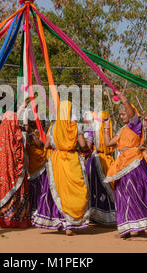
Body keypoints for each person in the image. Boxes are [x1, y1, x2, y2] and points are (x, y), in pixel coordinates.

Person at [103, 91, 147, 240]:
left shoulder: (135, 125)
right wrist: (107, 126)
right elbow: (108, 143)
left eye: (124, 113)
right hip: (122, 166)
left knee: (135, 194)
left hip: (134, 165)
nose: (122, 116)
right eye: (120, 115)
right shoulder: (122, 130)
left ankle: (141, 230)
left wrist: (123, 98)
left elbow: (131, 113)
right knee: (122, 196)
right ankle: (127, 228)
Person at [31, 100, 90, 236]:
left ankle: (59, 222)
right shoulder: (75, 126)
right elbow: (82, 145)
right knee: (73, 191)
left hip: (56, 161)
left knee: (57, 191)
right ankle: (69, 224)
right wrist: (86, 147)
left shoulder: (53, 127)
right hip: (72, 160)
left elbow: (46, 146)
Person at [0, 111, 31, 227]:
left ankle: (4, 217)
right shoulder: (17, 136)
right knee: (18, 185)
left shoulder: (1, 141)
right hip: (16, 172)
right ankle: (18, 218)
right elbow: (21, 153)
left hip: (4, 174)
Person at [84, 110, 116, 225]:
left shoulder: (91, 130)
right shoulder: (110, 131)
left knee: (95, 188)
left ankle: (97, 215)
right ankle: (111, 214)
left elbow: (87, 146)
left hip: (95, 160)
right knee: (108, 186)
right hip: (109, 161)